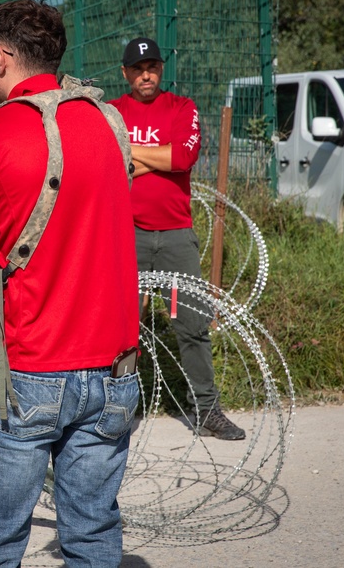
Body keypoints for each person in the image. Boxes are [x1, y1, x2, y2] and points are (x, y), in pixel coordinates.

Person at [0, 0, 141, 568]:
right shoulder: (111, 123)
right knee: (94, 533)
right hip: (115, 371)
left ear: (0, 57)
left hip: (24, 370)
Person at [107, 36, 245, 441]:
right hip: (125, 233)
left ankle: (206, 409)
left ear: (161, 69)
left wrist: (133, 156)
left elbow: (183, 157)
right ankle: (116, 409)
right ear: (125, 73)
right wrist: (156, 156)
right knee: (120, 326)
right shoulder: (113, 111)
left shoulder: (182, 108)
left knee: (192, 325)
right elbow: (110, 160)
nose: (145, 74)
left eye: (151, 66)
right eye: (137, 68)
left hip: (176, 234)